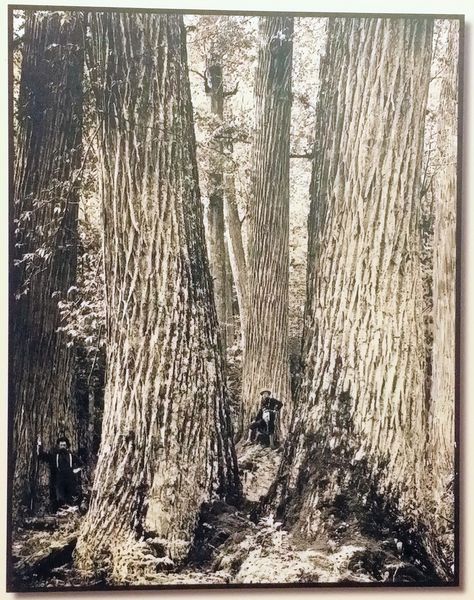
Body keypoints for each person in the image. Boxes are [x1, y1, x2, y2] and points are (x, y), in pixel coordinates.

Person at [37, 435, 82, 512]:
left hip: (69, 481)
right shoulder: (55, 456)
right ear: (58, 446)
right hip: (58, 481)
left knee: (70, 499)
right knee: (59, 499)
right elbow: (42, 456)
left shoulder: (71, 456)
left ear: (67, 446)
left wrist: (76, 470)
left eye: (64, 445)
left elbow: (81, 465)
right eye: (61, 445)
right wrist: (39, 444)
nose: (62, 447)